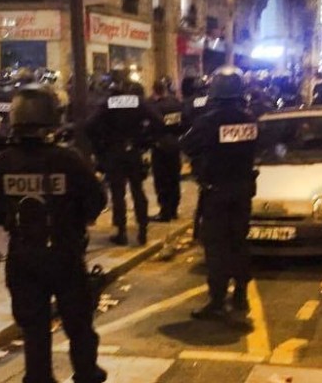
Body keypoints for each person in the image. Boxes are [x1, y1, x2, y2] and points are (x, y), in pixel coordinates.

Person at [0, 84, 107, 383]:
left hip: (23, 255)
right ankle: (86, 372)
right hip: (64, 252)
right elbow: (97, 199)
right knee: (77, 322)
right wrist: (78, 219)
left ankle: (39, 377)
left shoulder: (4, 162)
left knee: (34, 326)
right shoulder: (67, 159)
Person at [181, 65, 258, 319]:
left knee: (215, 247)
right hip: (243, 191)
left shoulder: (208, 120)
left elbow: (187, 145)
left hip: (216, 193)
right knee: (239, 242)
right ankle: (241, 295)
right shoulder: (249, 119)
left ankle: (216, 300)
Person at [86, 75, 163, 246]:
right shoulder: (137, 101)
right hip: (133, 150)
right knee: (138, 190)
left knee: (118, 193)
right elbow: (158, 121)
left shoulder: (109, 103)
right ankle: (142, 230)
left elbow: (89, 125)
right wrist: (145, 139)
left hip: (114, 152)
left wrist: (101, 142)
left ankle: (121, 232)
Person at [147, 78, 184, 222]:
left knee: (162, 180)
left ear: (154, 90)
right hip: (175, 144)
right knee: (174, 178)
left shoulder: (153, 106)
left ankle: (165, 212)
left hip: (160, 146)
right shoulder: (176, 103)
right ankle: (174, 210)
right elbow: (183, 121)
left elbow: (151, 125)